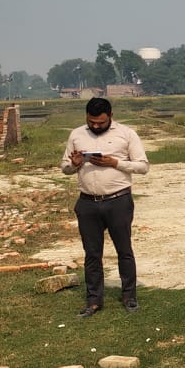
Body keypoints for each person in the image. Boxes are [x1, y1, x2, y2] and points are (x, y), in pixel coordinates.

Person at [61, 97, 149, 318]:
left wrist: (115, 163)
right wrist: (75, 164)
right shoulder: (76, 135)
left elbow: (143, 166)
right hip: (87, 203)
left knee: (124, 251)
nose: (96, 126)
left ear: (110, 116)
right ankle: (93, 300)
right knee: (92, 254)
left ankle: (129, 297)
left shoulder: (126, 134)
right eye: (91, 122)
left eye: (101, 122)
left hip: (118, 201)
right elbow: (65, 168)